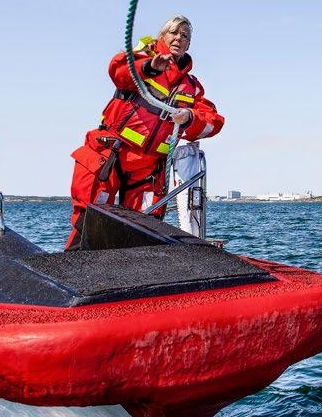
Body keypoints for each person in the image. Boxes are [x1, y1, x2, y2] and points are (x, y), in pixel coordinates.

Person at [65, 15, 224, 250]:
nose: (179, 38)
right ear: (162, 36)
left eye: (185, 36)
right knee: (90, 220)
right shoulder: (140, 59)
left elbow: (213, 121)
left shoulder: (192, 87)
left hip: (148, 168)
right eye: (174, 33)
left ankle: (127, 275)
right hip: (112, 154)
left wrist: (189, 117)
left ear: (189, 45)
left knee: (142, 228)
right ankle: (73, 267)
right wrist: (150, 67)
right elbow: (118, 72)